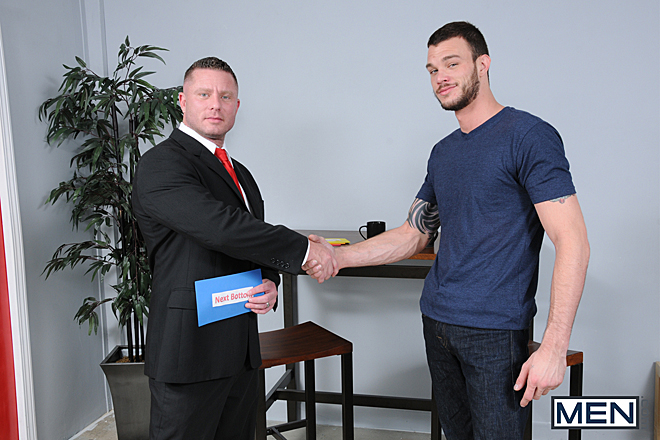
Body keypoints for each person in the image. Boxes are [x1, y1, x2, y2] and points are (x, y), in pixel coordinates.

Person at [304, 21, 589, 440]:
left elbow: (573, 241)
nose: (440, 77)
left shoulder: (529, 136)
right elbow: (414, 233)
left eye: (452, 63)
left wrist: (554, 347)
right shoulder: (444, 152)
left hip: (495, 331)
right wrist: (337, 255)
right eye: (432, 69)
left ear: (483, 64)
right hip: (437, 321)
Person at [133, 57, 336, 440]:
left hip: (240, 351)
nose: (216, 104)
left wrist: (271, 280)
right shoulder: (160, 164)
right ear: (182, 101)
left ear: (237, 106)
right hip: (189, 352)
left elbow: (250, 241)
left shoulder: (241, 173)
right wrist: (304, 252)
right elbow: (221, 229)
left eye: (225, 96)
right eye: (204, 94)